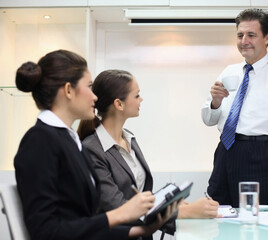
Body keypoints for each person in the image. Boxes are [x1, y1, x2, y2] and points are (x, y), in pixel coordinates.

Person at [14, 50, 177, 240]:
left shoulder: (69, 140)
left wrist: (138, 231)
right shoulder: (39, 142)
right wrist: (122, 214)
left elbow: (86, 221)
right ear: (68, 90)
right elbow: (46, 232)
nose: (95, 97)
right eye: (89, 87)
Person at [77, 70, 220, 224]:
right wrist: (183, 212)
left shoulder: (129, 137)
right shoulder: (92, 150)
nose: (141, 99)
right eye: (137, 95)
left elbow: (140, 196)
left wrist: (169, 204)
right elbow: (117, 207)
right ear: (119, 104)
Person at [201, 8, 268, 209]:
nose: (244, 40)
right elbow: (209, 120)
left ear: (267, 37)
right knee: (217, 215)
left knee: (257, 222)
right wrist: (215, 103)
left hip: (261, 155)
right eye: (240, 35)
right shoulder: (229, 71)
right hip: (225, 152)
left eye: (251, 35)